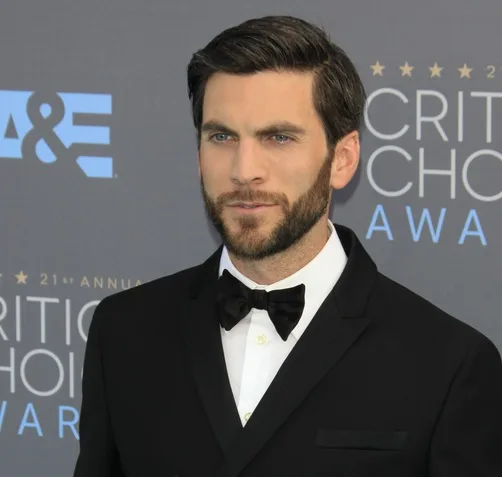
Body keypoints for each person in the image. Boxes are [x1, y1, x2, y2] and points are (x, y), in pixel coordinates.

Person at [73, 15, 502, 477]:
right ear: (198, 154)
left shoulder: (448, 364)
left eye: (278, 138)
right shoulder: (123, 332)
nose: (244, 170)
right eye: (221, 136)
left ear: (342, 159)